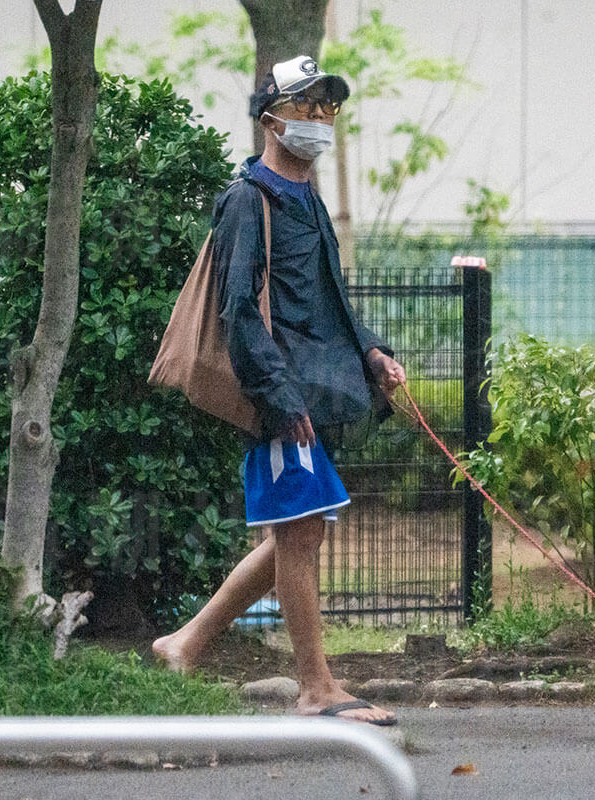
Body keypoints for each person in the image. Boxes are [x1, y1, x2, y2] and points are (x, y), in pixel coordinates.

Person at [152, 56, 406, 727]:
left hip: (309, 398)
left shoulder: (308, 199)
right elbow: (239, 312)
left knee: (299, 533)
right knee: (298, 537)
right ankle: (316, 688)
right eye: (308, 106)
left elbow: (330, 302)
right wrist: (278, 398)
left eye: (329, 107)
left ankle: (185, 644)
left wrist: (372, 352)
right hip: (281, 403)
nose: (321, 118)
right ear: (272, 118)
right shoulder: (249, 200)